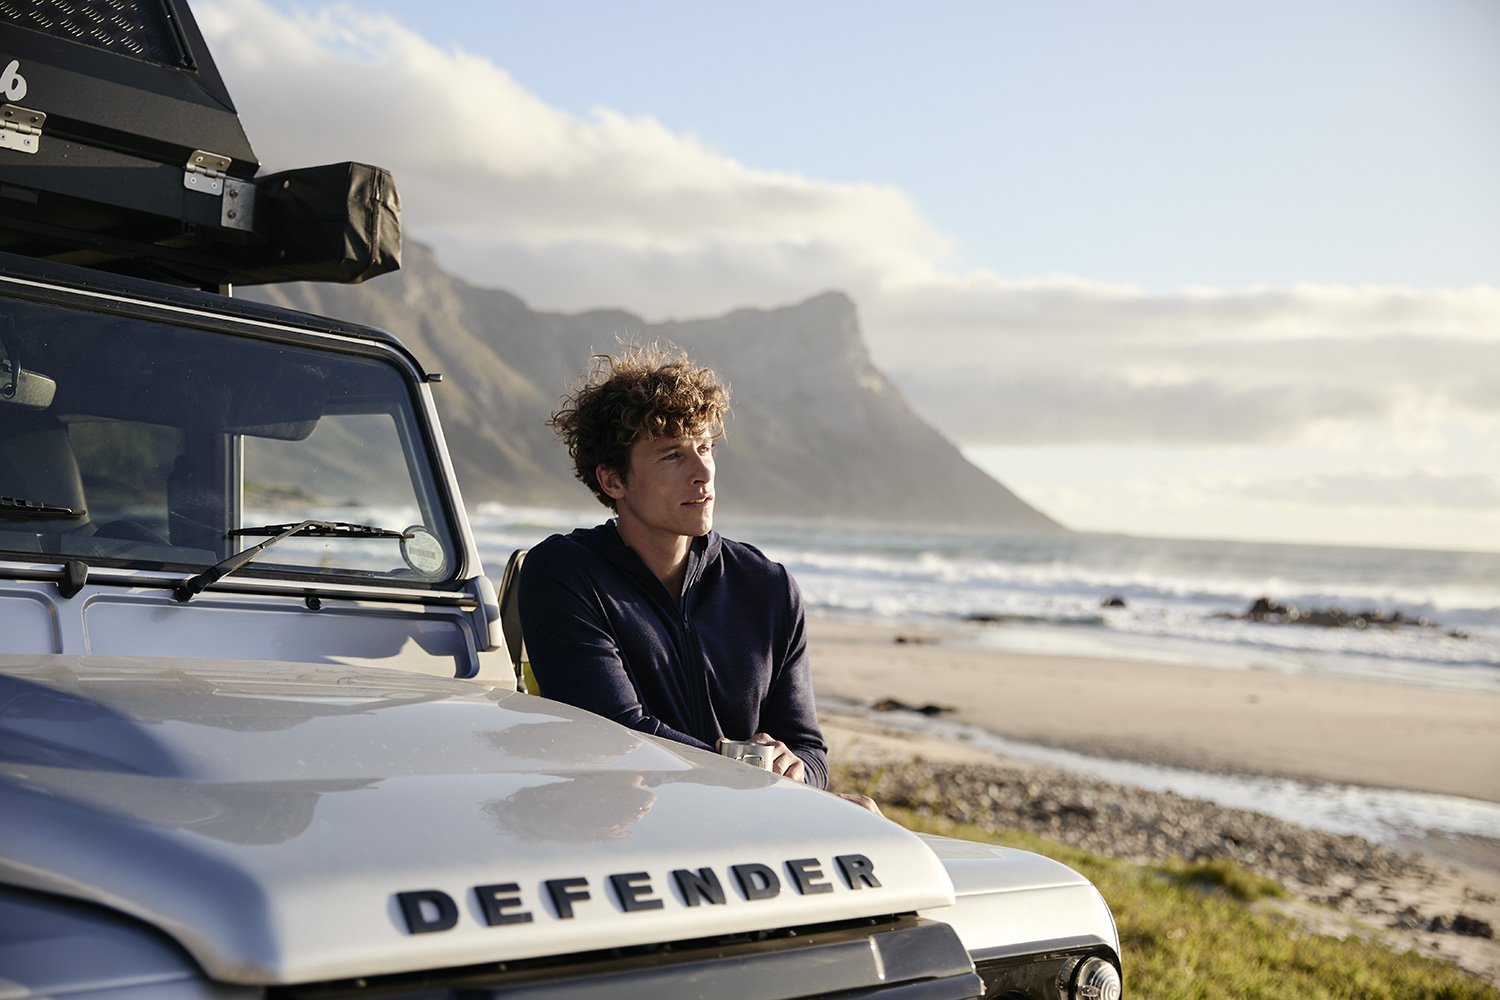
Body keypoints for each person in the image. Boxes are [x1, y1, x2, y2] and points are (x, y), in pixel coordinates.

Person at [517, 343, 829, 788]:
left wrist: (795, 771)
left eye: (705, 447)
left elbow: (808, 748)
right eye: (672, 455)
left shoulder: (768, 586)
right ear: (613, 479)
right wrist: (753, 776)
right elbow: (617, 734)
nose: (703, 471)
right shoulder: (565, 575)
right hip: (628, 834)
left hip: (749, 829)